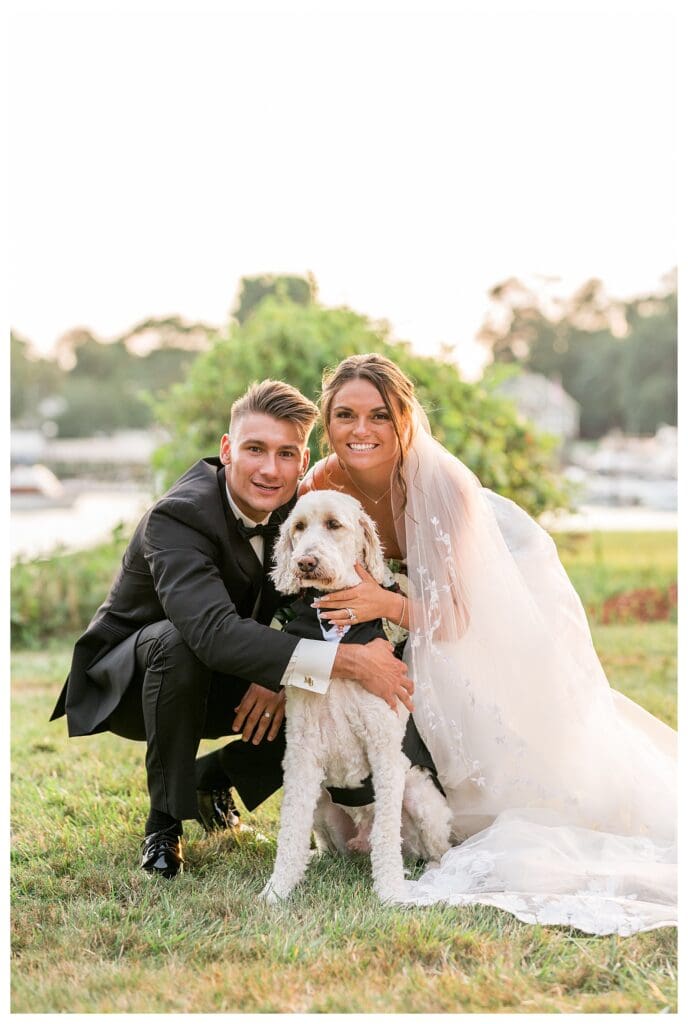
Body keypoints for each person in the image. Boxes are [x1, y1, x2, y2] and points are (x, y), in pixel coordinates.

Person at [301, 353, 676, 936]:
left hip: (490, 595)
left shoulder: (440, 483)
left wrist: (385, 604)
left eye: (379, 415)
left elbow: (455, 617)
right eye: (345, 415)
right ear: (327, 422)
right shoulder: (323, 480)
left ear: (404, 418)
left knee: (484, 731)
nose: (361, 430)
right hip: (415, 594)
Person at [50, 379, 413, 878]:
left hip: (228, 673)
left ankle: (212, 780)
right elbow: (211, 633)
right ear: (226, 450)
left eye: (286, 453)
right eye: (254, 449)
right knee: (177, 644)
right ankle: (163, 825)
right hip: (137, 684)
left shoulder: (299, 514)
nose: (270, 468)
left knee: (316, 689)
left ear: (302, 462)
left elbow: (306, 607)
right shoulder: (177, 517)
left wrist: (286, 673)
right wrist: (339, 661)